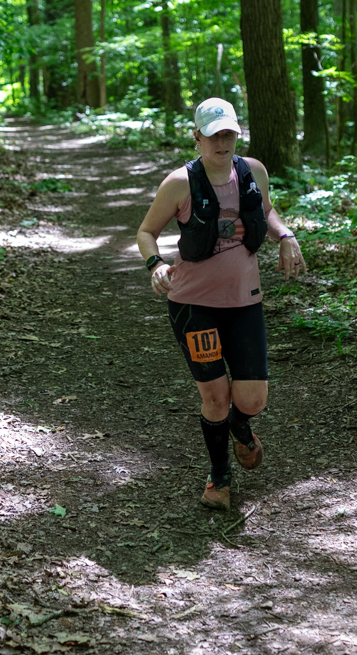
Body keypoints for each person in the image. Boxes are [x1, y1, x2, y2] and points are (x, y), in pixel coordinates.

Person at [137, 98, 305, 509]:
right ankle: (219, 476)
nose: (221, 142)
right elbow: (146, 232)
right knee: (214, 397)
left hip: (244, 302)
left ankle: (240, 427)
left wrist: (285, 236)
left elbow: (266, 212)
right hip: (193, 305)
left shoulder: (253, 171)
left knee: (252, 400)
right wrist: (155, 264)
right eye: (213, 135)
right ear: (197, 137)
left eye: (228, 133)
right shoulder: (180, 183)